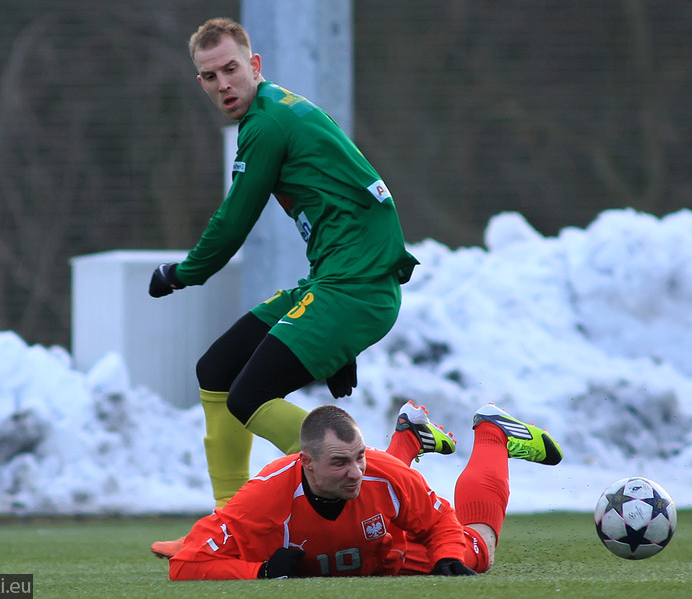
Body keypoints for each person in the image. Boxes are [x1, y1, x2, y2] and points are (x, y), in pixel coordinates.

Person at [147, 15, 420, 554]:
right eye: (209, 76)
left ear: (254, 66)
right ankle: (228, 529)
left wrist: (182, 273)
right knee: (218, 372)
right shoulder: (281, 109)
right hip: (342, 280)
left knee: (250, 395)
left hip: (355, 286)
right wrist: (338, 341)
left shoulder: (266, 126)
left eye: (230, 69)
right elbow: (355, 204)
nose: (223, 84)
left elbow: (233, 221)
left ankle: (378, 481)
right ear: (199, 82)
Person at [162, 401, 563, 579]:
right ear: (306, 462)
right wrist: (259, 573)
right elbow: (185, 565)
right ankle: (411, 436)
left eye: (358, 456)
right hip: (369, 549)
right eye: (339, 462)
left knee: (479, 552)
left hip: (391, 552)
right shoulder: (263, 498)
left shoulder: (378, 472)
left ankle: (492, 431)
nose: (355, 471)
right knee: (382, 484)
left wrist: (446, 556)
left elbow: (440, 520)